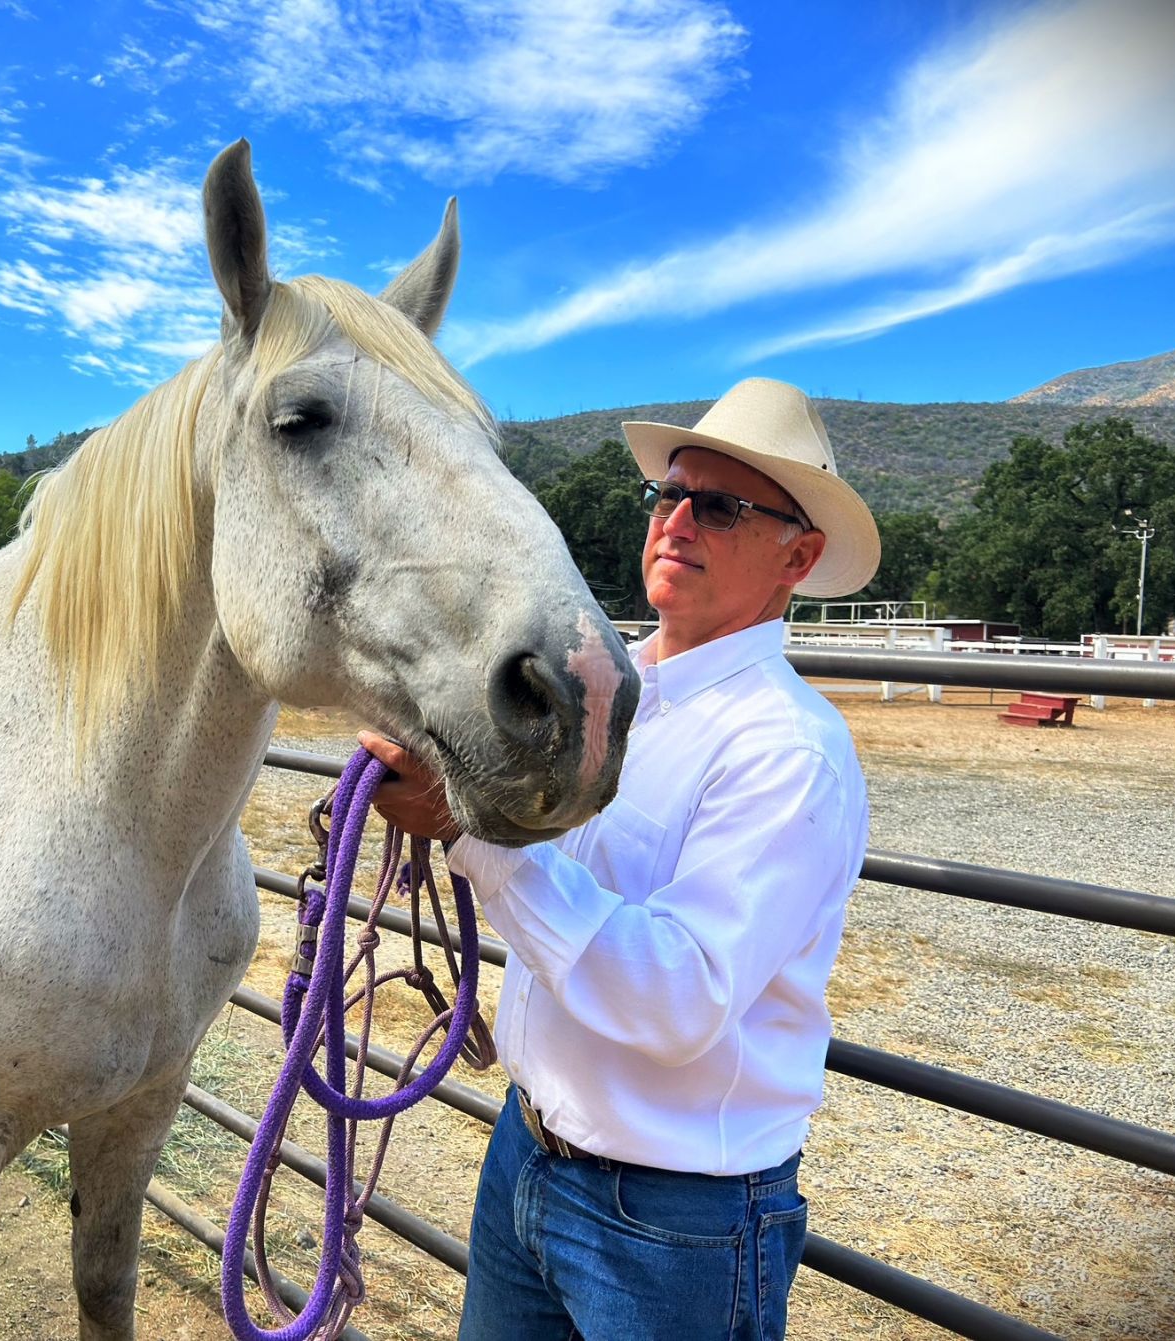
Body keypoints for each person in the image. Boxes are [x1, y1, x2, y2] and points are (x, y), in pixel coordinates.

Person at [360, 377, 881, 1341]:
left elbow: (677, 995)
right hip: (529, 1151)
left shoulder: (785, 750)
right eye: (668, 495)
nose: (676, 521)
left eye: (720, 507)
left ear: (796, 556)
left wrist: (469, 835)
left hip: (674, 1215)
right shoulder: (610, 692)